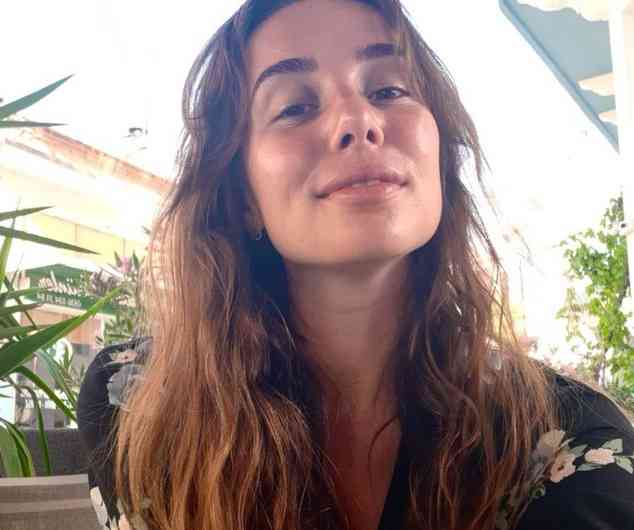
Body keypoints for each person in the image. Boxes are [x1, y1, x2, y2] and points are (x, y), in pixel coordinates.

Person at [77, 1, 634, 529]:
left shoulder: (570, 442)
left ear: (440, 156)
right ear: (243, 197)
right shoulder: (137, 402)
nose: (358, 120)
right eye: (295, 107)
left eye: (389, 89)